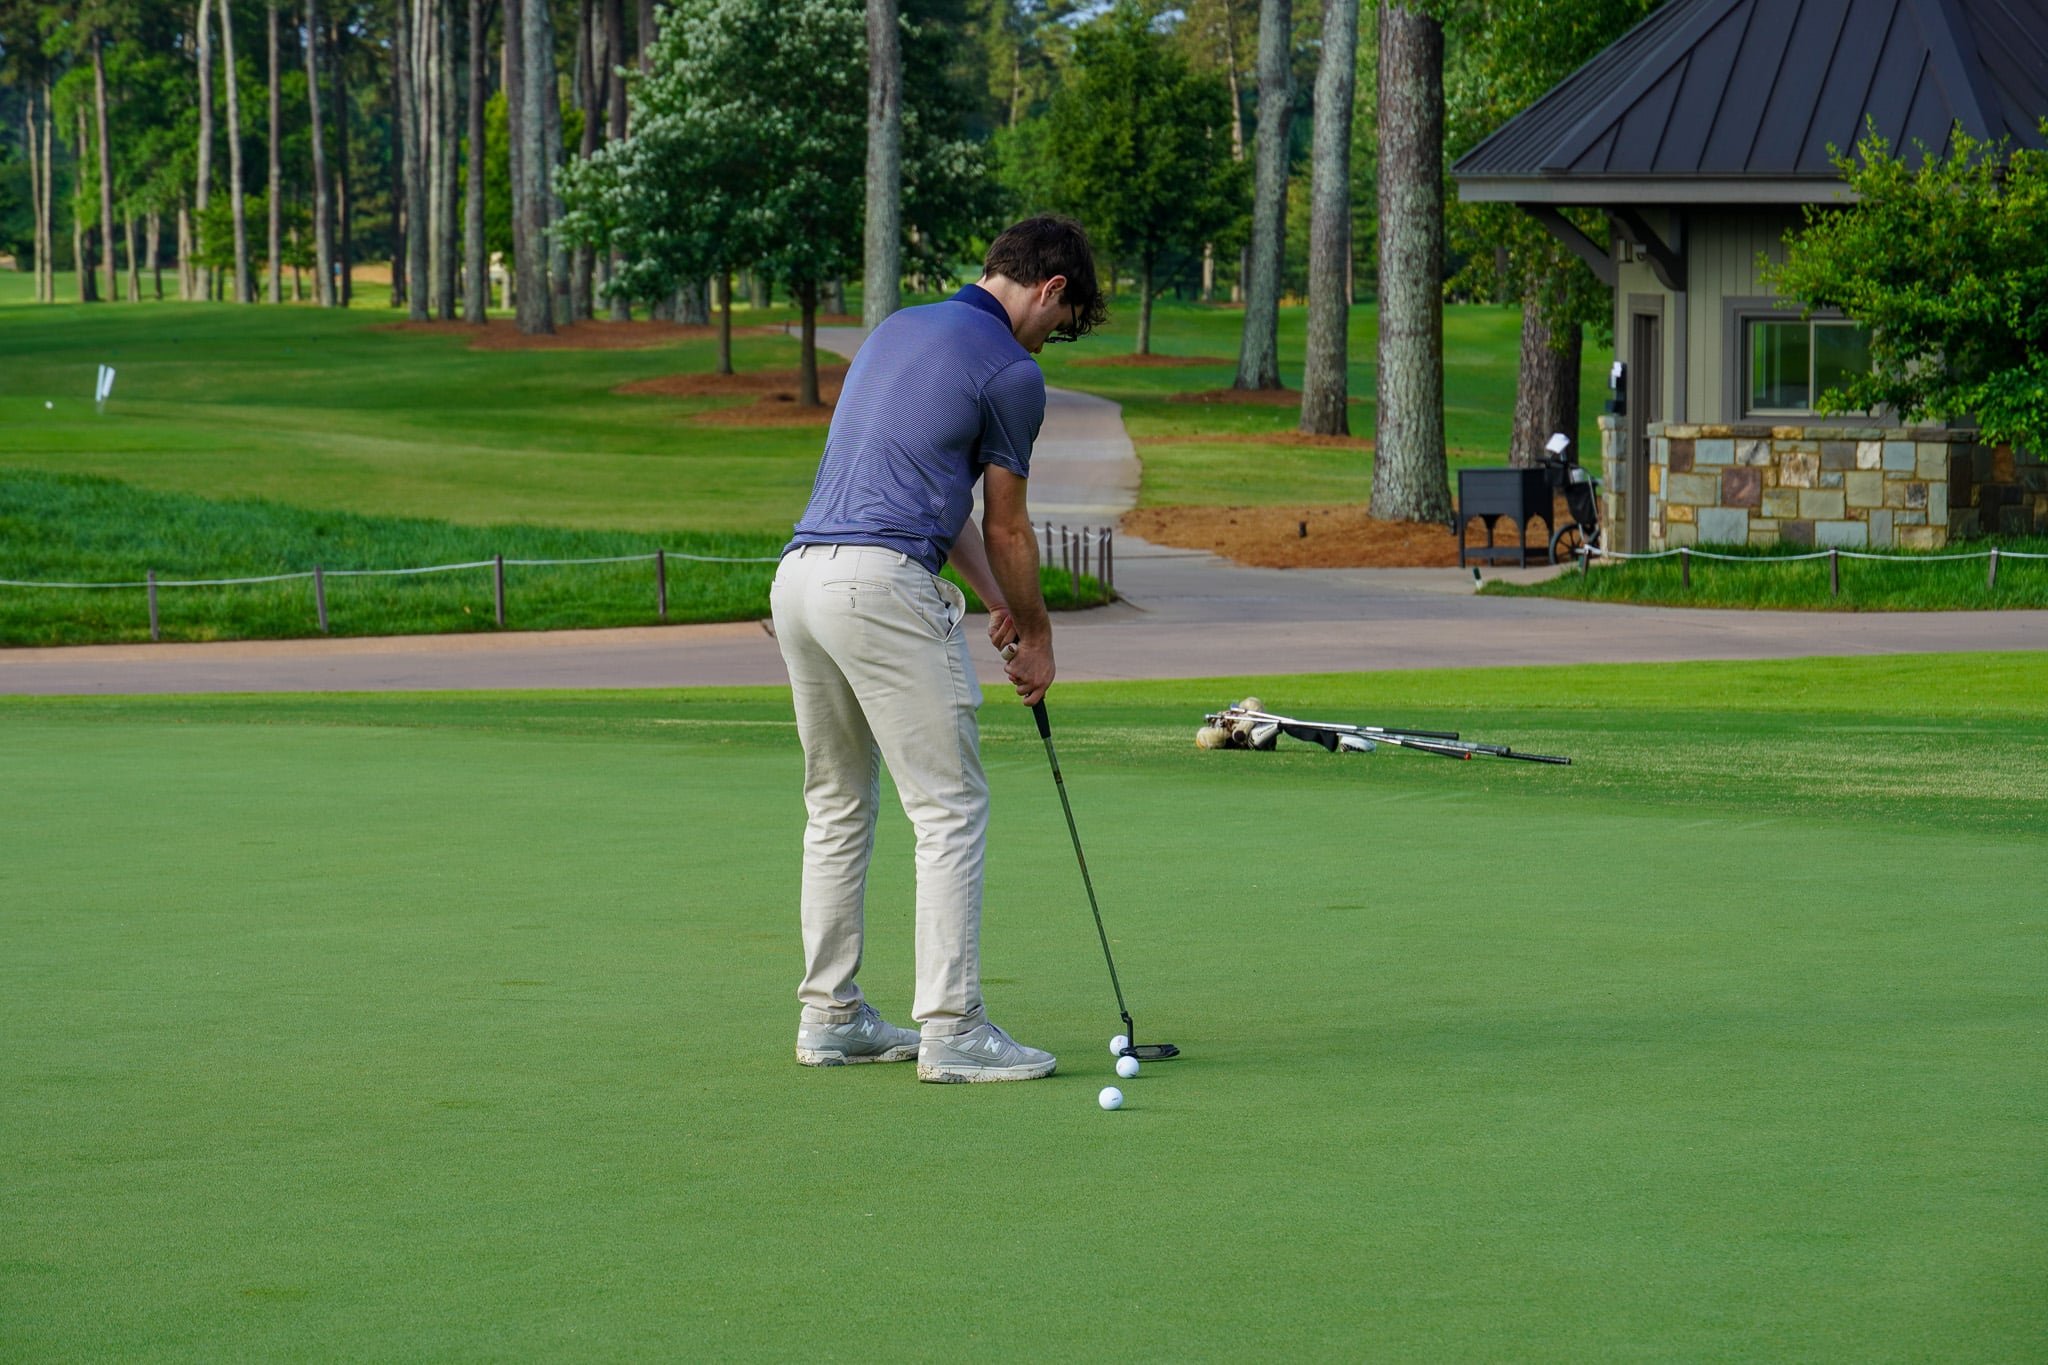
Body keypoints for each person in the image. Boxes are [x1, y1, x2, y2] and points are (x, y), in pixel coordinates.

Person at [770, 215, 1108, 1083]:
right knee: (949, 807)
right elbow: (1007, 525)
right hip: (879, 587)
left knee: (837, 805)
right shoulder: (1012, 370)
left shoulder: (897, 331)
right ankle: (953, 1026)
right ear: (1051, 288)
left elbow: (931, 492)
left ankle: (830, 1015)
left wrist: (996, 603)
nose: (1051, 341)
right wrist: (1038, 634)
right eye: (1061, 325)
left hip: (801, 579)